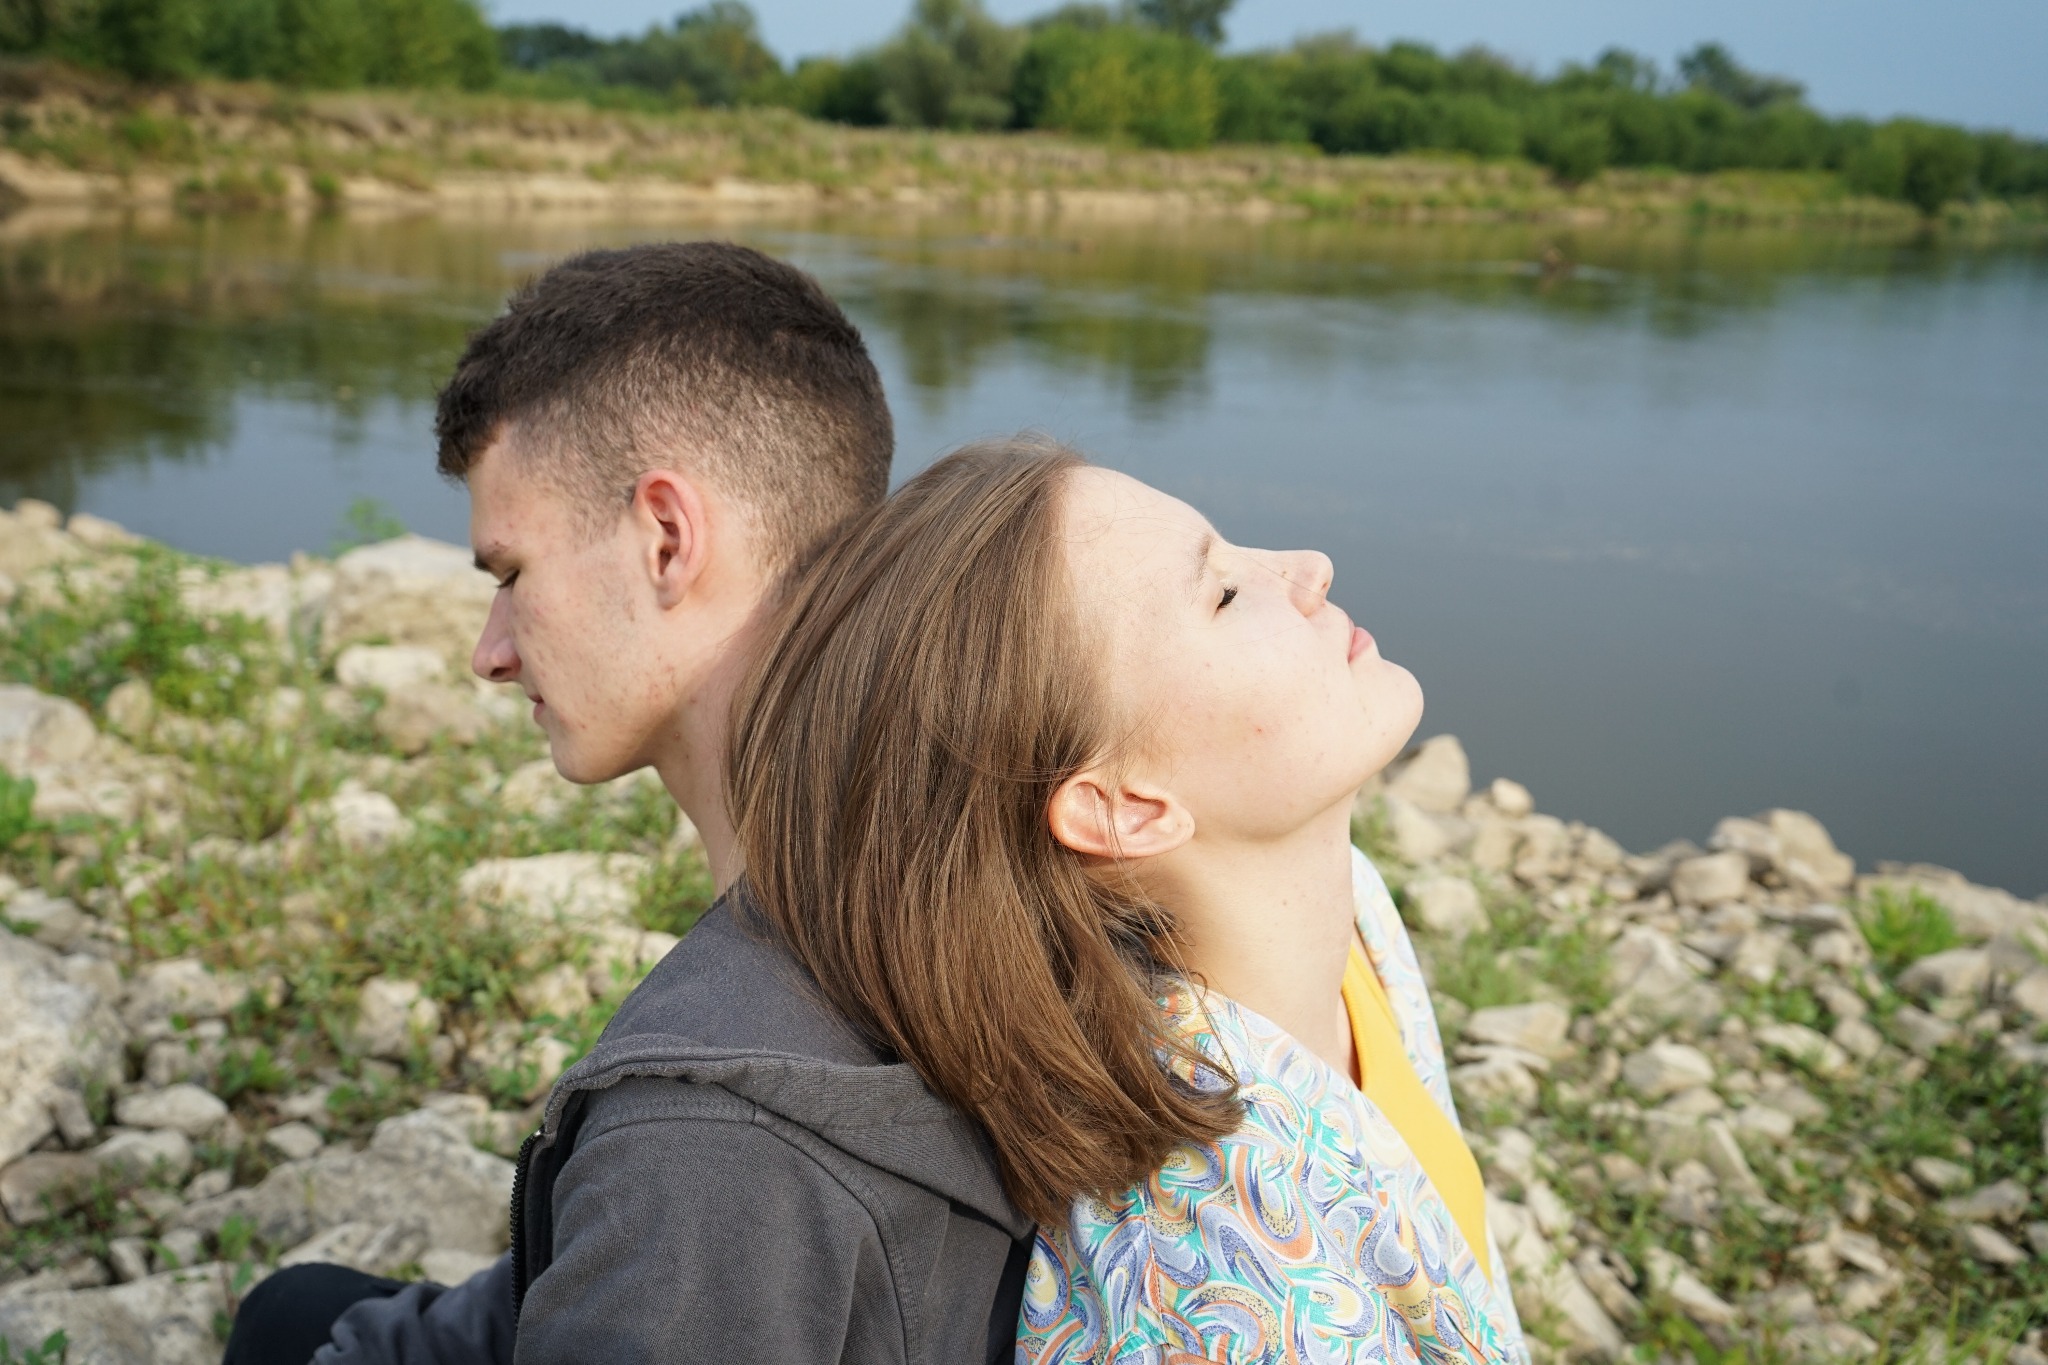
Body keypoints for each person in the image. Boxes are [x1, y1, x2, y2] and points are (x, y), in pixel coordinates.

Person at [223, 243, 1033, 1365]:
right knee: (296, 1313)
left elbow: (705, 1220)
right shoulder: (990, 832)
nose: (488, 654)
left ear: (666, 537)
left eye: (509, 577)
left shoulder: (704, 1130)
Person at [728, 438, 1530, 1364]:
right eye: (1224, 594)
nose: (1310, 569)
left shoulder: (1350, 927)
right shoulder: (1217, 1299)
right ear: (1122, 808)